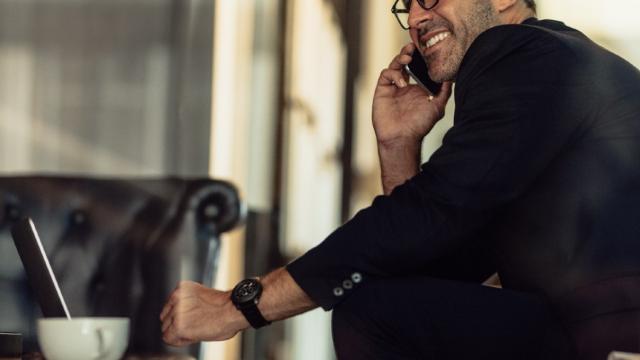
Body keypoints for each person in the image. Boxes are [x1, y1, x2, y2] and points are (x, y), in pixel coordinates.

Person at [160, 0, 640, 358]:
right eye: (406, 6)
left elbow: (424, 218)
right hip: (592, 333)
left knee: (371, 311)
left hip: (614, 336)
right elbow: (430, 261)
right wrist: (398, 146)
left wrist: (237, 306)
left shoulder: (519, 54)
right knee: (386, 305)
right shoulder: (549, 69)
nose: (415, 17)